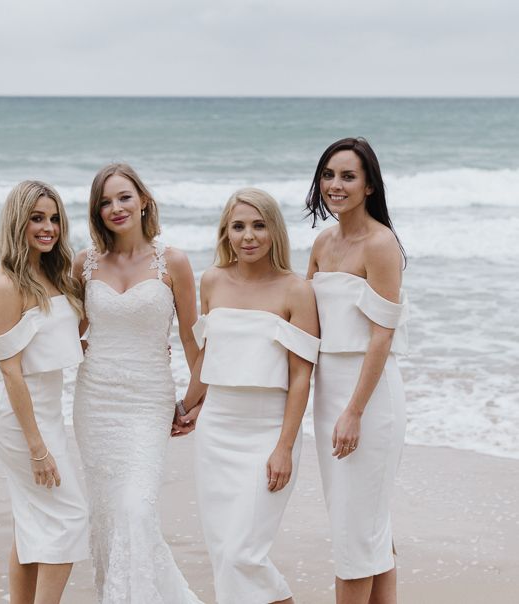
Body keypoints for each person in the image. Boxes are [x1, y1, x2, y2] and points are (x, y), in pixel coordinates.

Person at [176, 187, 320, 604]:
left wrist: (285, 448)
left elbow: (300, 378)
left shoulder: (297, 290)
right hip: (216, 432)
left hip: (267, 433)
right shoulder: (213, 280)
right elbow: (208, 358)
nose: (248, 236)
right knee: (225, 555)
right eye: (238, 226)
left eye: (259, 225)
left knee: (245, 554)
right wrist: (187, 407)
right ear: (226, 232)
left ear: (274, 231)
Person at [71, 163, 202, 603]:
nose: (116, 208)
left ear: (143, 199)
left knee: (135, 509)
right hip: (95, 401)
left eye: (124, 197)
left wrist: (194, 401)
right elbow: (67, 332)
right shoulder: (83, 263)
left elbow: (191, 339)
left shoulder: (174, 262)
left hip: (148, 400)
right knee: (108, 514)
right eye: (105, 202)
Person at [305, 137, 408, 604]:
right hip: (329, 396)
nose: (335, 185)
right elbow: (303, 321)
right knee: (366, 527)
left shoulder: (381, 244)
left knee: (354, 532)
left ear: (369, 185)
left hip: (368, 399)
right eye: (329, 175)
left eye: (348, 176)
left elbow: (381, 337)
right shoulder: (322, 242)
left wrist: (354, 412)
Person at [0, 181, 89, 604]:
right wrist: (37, 447)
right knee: (69, 516)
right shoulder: (6, 284)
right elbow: (11, 372)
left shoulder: (53, 273)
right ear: (17, 221)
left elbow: (55, 338)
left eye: (54, 218)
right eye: (37, 218)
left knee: (31, 520)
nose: (48, 228)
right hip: (16, 417)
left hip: (44, 411)